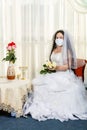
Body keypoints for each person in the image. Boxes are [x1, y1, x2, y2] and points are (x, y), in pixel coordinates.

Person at [23, 30, 87, 122]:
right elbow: (52, 62)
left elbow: (67, 66)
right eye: (57, 37)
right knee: (40, 84)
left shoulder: (67, 51)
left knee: (54, 86)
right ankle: (43, 107)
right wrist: (50, 67)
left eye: (61, 38)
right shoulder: (54, 49)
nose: (58, 39)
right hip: (53, 73)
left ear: (65, 39)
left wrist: (56, 67)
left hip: (64, 75)